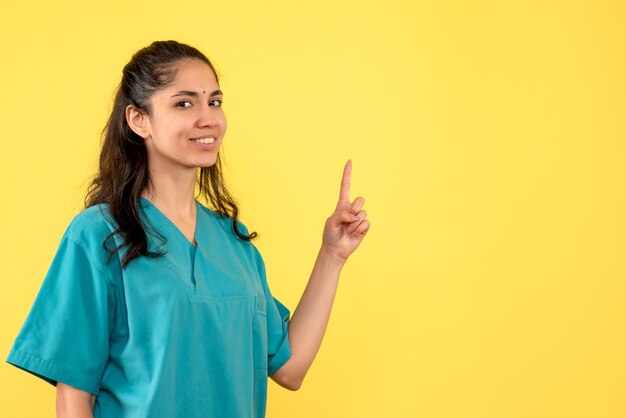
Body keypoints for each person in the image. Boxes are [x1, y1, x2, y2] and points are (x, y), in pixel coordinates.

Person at [6, 40, 370, 418]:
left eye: (214, 101)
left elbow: (290, 369)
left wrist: (333, 255)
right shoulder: (98, 235)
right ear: (138, 120)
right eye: (184, 103)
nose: (208, 117)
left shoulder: (234, 243)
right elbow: (73, 397)